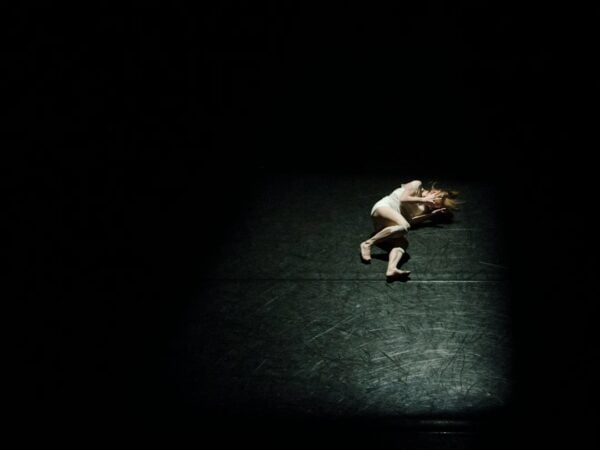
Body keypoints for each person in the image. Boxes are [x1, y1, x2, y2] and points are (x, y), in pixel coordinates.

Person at [359, 180, 459, 279]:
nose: (432, 206)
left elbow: (410, 221)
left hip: (384, 224)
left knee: (403, 244)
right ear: (434, 193)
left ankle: (392, 269)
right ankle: (368, 243)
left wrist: (430, 216)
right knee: (404, 226)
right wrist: (424, 200)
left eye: (435, 206)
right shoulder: (417, 185)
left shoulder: (423, 209)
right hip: (383, 208)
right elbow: (403, 199)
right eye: (434, 202)